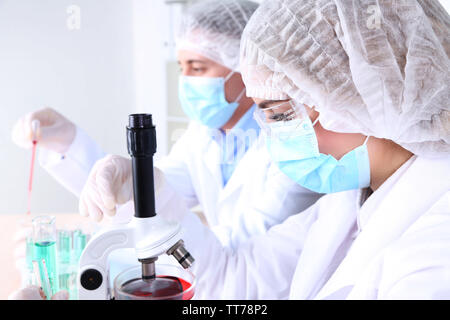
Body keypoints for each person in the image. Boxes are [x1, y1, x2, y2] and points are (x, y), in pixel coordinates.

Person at [76, 0, 450, 300]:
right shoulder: (348, 200)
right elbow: (237, 284)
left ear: (362, 95)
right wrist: (146, 192)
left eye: (279, 113)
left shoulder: (435, 248)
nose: (270, 134)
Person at [10, 0, 322, 296]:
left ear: (246, 70)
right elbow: (149, 196)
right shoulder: (204, 135)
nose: (185, 81)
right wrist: (71, 145)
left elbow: (234, 256)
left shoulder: (295, 148)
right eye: (182, 67)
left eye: (197, 68)